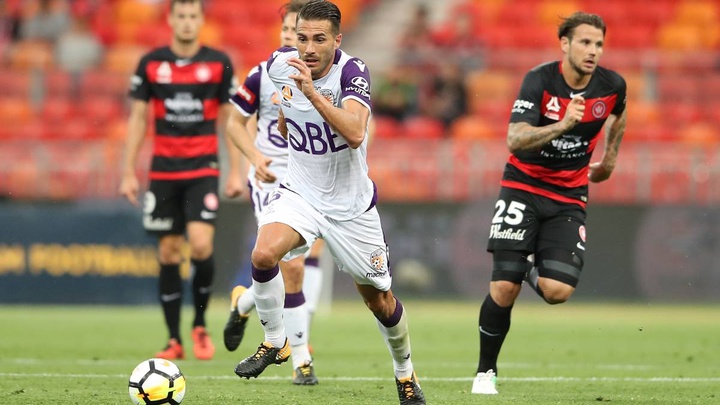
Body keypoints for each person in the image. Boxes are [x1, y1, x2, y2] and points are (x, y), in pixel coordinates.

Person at [231, 1, 425, 404]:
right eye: (302, 38)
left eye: (319, 39)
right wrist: (290, 114)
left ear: (337, 40)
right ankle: (276, 342)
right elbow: (285, 122)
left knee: (380, 301)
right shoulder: (281, 66)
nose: (309, 48)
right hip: (300, 193)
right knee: (264, 254)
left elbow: (354, 132)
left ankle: (405, 374)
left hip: (350, 208)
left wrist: (311, 94)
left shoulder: (352, 72)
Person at [472, 12, 627, 395]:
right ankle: (485, 373)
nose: (593, 51)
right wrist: (563, 124)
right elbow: (515, 139)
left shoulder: (612, 86)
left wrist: (608, 161)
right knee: (503, 289)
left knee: (557, 292)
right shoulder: (539, 80)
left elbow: (619, 115)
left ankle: (524, 264)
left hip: (569, 196)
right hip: (522, 187)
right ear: (565, 44)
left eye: (599, 44)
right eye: (586, 42)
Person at [119, 0, 244, 361]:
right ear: (171, 19)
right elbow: (139, 119)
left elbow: (229, 119)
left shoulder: (218, 63)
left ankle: (200, 324)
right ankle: (174, 339)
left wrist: (235, 170)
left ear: (201, 21)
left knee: (202, 246)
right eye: (182, 16)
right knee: (169, 252)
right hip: (163, 172)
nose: (188, 22)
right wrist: (128, 171)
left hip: (203, 168)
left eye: (194, 16)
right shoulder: (151, 63)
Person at [222, 0, 324, 386]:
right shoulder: (262, 74)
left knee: (290, 266)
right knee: (291, 265)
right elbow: (235, 123)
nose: (290, 41)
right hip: (272, 177)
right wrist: (254, 157)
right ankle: (300, 360)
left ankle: (245, 302)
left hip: (314, 178)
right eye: (287, 33)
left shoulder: (326, 76)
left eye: (297, 35)